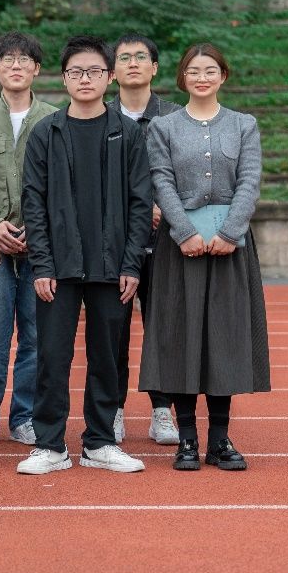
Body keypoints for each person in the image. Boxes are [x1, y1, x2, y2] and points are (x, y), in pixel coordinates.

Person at [18, 36, 152, 476]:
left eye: (94, 71)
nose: (85, 79)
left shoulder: (128, 133)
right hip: (57, 267)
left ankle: (100, 442)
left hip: (113, 267)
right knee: (51, 357)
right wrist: (41, 263)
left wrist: (132, 263)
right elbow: (33, 203)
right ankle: (49, 445)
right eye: (76, 71)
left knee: (107, 357)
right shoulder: (46, 132)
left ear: (109, 76)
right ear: (64, 79)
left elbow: (140, 203)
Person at [139, 43, 270, 471]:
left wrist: (231, 231)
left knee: (224, 338)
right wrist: (184, 232)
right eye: (194, 71)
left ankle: (219, 439)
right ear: (182, 77)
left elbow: (249, 180)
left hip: (231, 248)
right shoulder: (164, 127)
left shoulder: (244, 125)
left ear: (223, 76)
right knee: (181, 336)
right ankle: (187, 440)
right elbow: (160, 180)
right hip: (180, 248)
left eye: (210, 70)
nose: (202, 77)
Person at [0, 32, 57, 446]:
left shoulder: (56, 119)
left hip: (42, 247)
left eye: (24, 60)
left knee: (37, 337)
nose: (16, 66)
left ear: (37, 68)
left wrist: (40, 228)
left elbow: (64, 185)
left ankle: (27, 416)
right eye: (8, 59)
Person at [107, 33, 181, 446]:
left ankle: (162, 410)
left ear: (154, 67)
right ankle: (113, 409)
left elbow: (188, 176)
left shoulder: (175, 117)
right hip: (115, 243)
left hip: (166, 242)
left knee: (163, 329)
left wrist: (164, 208)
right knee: (112, 331)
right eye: (124, 58)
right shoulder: (99, 116)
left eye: (140, 57)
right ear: (112, 71)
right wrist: (134, 211)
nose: (132, 63)